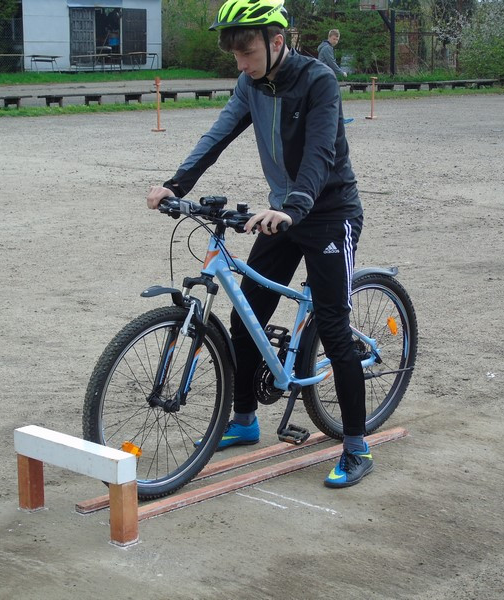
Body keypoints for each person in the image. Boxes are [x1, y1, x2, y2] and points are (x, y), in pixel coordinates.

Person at [146, 0, 372, 488]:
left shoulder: (318, 81)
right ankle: (246, 418)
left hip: (329, 214)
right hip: (282, 215)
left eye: (247, 52)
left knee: (333, 328)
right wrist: (176, 185)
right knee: (244, 315)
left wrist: (293, 205)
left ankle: (356, 444)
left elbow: (320, 152)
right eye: (235, 56)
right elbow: (218, 134)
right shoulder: (251, 84)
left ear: (277, 41)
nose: (241, 64)